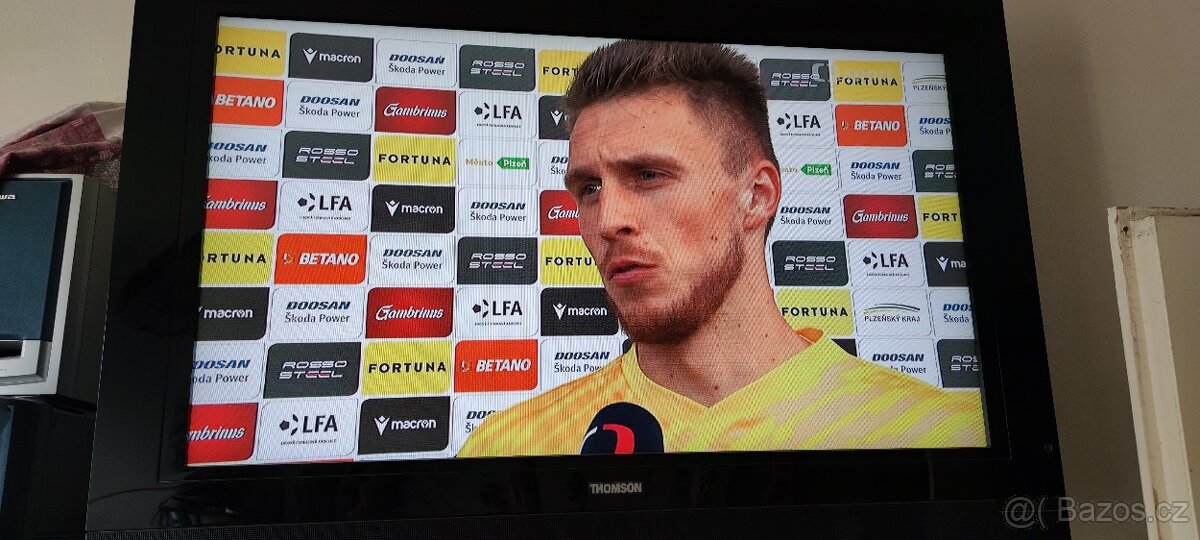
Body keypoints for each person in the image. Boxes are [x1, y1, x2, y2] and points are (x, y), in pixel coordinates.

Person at [458, 40, 985, 457]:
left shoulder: (945, 433)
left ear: (756, 197)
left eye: (648, 175)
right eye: (589, 188)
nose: (608, 220)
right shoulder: (508, 446)